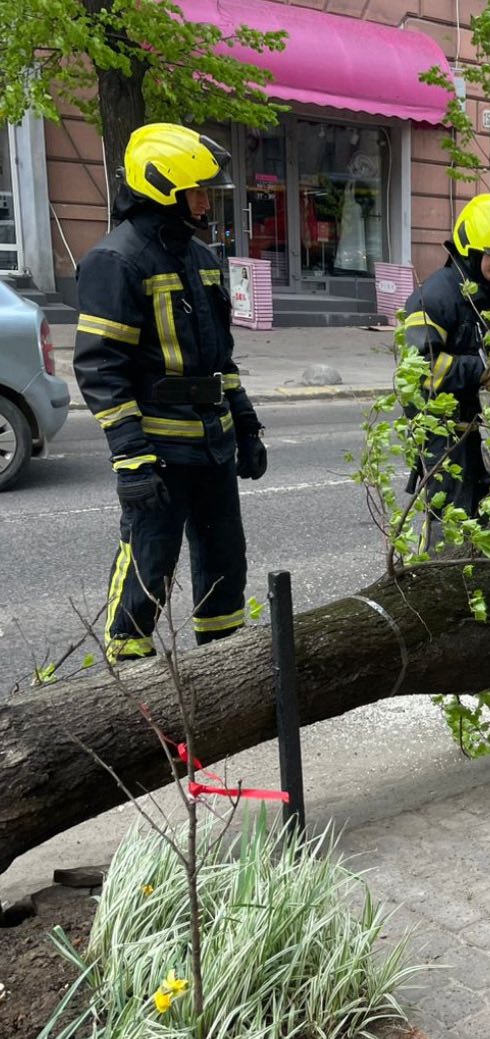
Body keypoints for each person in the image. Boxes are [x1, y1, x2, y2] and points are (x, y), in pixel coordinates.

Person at [74, 123, 266, 664]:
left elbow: (221, 359)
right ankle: (128, 683)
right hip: (158, 452)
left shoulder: (201, 258)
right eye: (196, 192)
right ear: (162, 189)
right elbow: (100, 368)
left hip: (213, 445)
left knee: (225, 566)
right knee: (147, 569)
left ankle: (223, 668)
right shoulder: (117, 261)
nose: (206, 202)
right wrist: (131, 457)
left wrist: (246, 425)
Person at [400, 194, 490, 543]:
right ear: (470, 250)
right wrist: (482, 369)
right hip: (443, 431)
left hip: (486, 429)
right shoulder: (434, 297)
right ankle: (436, 571)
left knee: (489, 515)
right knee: (450, 520)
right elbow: (418, 371)